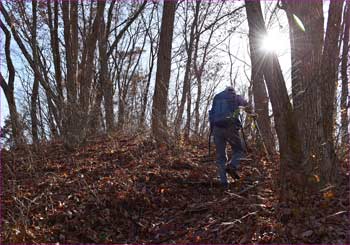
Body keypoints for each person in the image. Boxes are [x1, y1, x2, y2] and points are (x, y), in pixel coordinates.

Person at [209, 86, 250, 188]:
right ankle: (232, 166)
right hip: (230, 127)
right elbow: (247, 105)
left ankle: (224, 184)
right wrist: (252, 113)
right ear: (232, 90)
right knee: (240, 150)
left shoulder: (216, 97)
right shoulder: (235, 96)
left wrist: (212, 130)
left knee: (221, 157)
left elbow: (212, 113)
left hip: (216, 128)